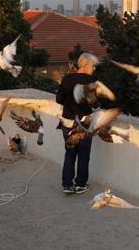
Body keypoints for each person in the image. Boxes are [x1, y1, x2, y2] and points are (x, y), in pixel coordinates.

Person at [55, 52, 99, 194]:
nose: (94, 69)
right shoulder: (91, 80)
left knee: (70, 153)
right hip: (84, 124)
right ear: (85, 66)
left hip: (67, 122)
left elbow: (59, 99)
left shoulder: (67, 78)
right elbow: (95, 103)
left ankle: (67, 185)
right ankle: (80, 184)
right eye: (93, 66)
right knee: (83, 154)